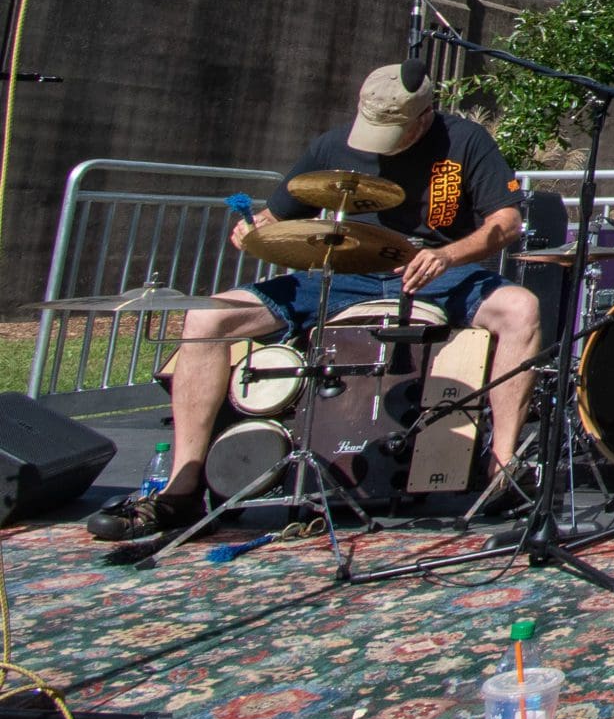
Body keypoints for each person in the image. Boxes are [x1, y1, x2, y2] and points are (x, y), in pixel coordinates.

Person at [86, 61, 542, 541]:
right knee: (207, 317)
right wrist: (254, 229)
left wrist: (446, 255)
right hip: (344, 274)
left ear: (424, 116)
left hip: (439, 273)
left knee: (521, 309)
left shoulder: (465, 141)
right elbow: (277, 215)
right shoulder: (332, 145)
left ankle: (501, 470)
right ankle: (181, 489)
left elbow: (507, 222)